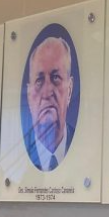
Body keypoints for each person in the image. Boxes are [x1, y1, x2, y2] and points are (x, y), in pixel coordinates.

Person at [24, 36, 75, 172]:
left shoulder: (86, 146)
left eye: (56, 77)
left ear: (70, 90)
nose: (47, 92)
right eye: (39, 80)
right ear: (29, 96)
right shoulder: (18, 156)